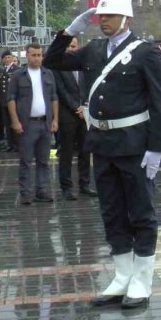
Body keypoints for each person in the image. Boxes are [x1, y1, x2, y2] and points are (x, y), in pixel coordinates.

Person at [44, 0, 161, 310]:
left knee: (141, 212)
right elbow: (52, 61)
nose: (104, 22)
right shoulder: (94, 49)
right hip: (101, 144)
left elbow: (160, 102)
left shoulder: (145, 52)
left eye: (110, 16)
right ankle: (122, 276)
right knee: (112, 211)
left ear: (126, 18)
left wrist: (156, 148)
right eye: (101, 17)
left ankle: (141, 280)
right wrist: (70, 31)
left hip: (134, 144)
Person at [7, 43, 58, 205]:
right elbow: (11, 99)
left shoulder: (48, 74)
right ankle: (25, 193)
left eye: (40, 55)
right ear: (26, 55)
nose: (37, 58)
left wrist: (55, 119)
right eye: (34, 55)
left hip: (45, 122)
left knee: (44, 160)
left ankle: (41, 190)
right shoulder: (18, 75)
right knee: (26, 160)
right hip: (27, 124)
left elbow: (54, 98)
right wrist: (15, 121)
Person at [52, 36, 97, 200]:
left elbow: (89, 86)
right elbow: (61, 89)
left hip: (84, 114)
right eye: (70, 46)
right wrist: (75, 107)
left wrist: (84, 106)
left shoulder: (83, 65)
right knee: (66, 152)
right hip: (67, 114)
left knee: (86, 151)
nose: (72, 49)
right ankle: (66, 187)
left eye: (75, 46)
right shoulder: (59, 66)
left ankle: (84, 184)